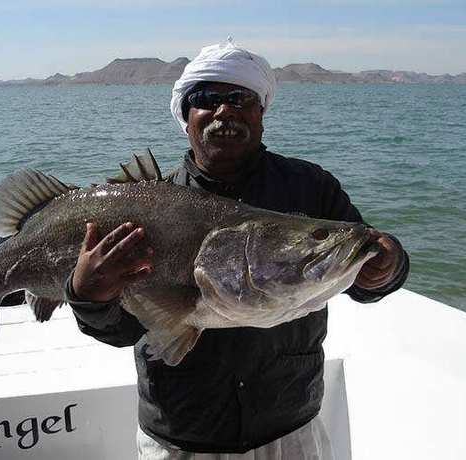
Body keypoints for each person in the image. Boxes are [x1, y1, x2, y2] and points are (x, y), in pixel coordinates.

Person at [67, 41, 409, 459]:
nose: (224, 111)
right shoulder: (140, 209)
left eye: (240, 98)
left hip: (291, 427)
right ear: (186, 115)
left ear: (260, 111)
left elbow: (364, 269)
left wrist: (387, 267)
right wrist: (85, 294)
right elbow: (120, 332)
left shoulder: (312, 187)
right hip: (181, 435)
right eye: (207, 99)